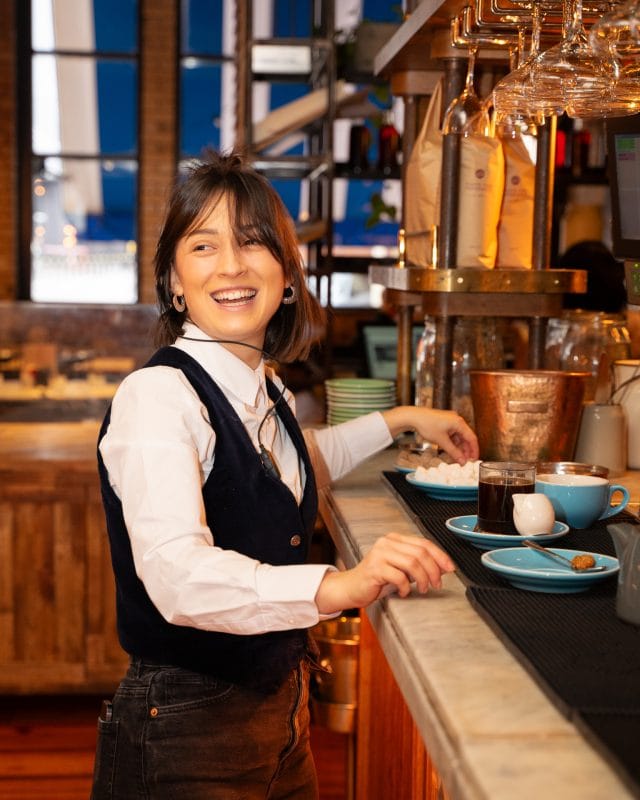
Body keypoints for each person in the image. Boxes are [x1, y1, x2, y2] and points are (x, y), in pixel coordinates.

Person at [90, 150, 478, 800]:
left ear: (287, 277)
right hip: (187, 727)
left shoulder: (263, 386)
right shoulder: (158, 396)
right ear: (174, 280)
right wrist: (340, 585)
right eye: (204, 245)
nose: (233, 265)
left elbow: (299, 466)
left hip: (281, 713)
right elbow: (178, 578)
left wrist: (402, 419)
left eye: (252, 243)